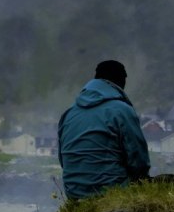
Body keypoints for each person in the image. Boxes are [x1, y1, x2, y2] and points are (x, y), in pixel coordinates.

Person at [57, 60, 151, 200]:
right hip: (111, 191)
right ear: (121, 81)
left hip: (74, 194)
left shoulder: (69, 113)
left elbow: (63, 160)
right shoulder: (122, 110)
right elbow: (138, 161)